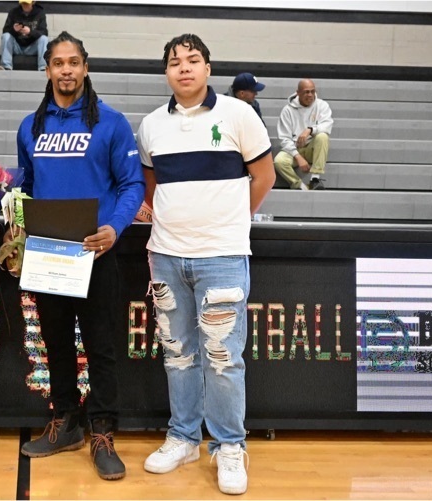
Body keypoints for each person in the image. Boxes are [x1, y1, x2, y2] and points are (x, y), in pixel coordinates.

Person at [136, 34, 275, 495]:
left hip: (222, 256)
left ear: (208, 68)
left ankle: (229, 446)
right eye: (175, 62)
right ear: (166, 73)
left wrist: (230, 222)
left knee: (222, 357)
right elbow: (152, 185)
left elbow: (265, 176)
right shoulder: (152, 125)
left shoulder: (239, 115)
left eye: (193, 60)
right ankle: (183, 437)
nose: (184, 68)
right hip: (167, 255)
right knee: (178, 353)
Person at [14, 31, 145, 481]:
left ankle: (103, 430)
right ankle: (66, 422)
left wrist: (115, 228)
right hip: (50, 253)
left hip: (96, 253)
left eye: (73, 62)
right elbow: (25, 186)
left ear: (85, 68)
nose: (66, 70)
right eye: (58, 63)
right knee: (55, 343)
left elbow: (132, 185)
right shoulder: (30, 126)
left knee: (102, 347)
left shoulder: (111, 122)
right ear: (47, 69)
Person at [273, 79, 333, 190]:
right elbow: (284, 138)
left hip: (313, 148)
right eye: (306, 92)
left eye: (312, 91)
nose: (310, 95)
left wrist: (310, 130)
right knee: (279, 161)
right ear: (298, 92)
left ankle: (315, 179)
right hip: (295, 149)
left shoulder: (322, 105)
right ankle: (299, 185)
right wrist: (298, 157)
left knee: (323, 136)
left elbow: (327, 125)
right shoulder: (287, 110)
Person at [0, 0, 48, 71]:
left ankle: (43, 68)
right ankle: (6, 66)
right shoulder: (13, 12)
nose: (25, 6)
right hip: (17, 46)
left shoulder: (40, 13)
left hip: (32, 47)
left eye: (26, 4)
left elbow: (44, 32)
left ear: (33, 2)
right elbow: (5, 31)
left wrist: (30, 32)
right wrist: (14, 30)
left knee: (44, 39)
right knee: (6, 36)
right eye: (23, 3)